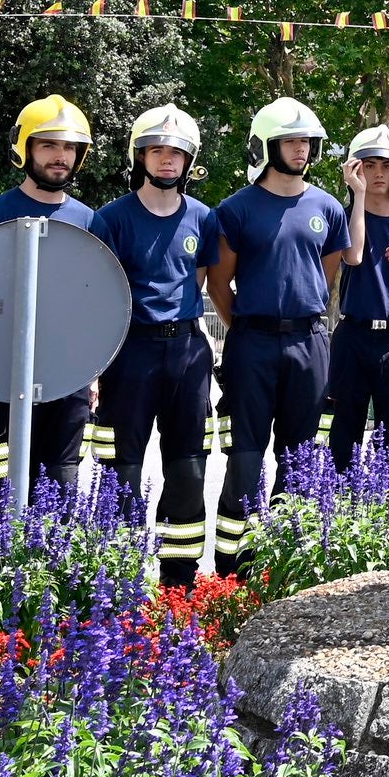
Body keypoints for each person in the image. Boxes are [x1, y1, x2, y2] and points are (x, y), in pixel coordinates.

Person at [206, 98, 353, 574]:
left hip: (310, 343)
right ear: (265, 146)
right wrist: (247, 329)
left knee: (301, 459)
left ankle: (284, 567)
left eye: (307, 141)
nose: (301, 148)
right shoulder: (235, 209)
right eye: (290, 140)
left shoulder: (328, 207)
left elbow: (325, 275)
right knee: (245, 462)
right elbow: (218, 283)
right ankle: (233, 573)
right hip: (252, 344)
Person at [88, 105, 220, 587]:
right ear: (140, 156)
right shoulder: (111, 219)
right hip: (129, 354)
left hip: (187, 353)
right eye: (158, 151)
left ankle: (179, 584)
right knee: (121, 467)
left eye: (177, 153)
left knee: (188, 468)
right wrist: (93, 370)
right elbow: (96, 296)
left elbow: (199, 280)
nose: (168, 160)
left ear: (189, 161)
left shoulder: (204, 218)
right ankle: (117, 582)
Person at [0, 94, 98, 513]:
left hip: (67, 378)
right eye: (48, 144)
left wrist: (94, 371)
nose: (60, 156)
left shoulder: (90, 222)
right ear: (24, 147)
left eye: (70, 147)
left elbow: (95, 307)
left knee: (61, 490)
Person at [328, 125, 389, 471]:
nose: (378, 173)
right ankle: (337, 505)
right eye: (369, 165)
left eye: (386, 166)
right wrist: (359, 197)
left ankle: (387, 509)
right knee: (344, 432)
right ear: (356, 170)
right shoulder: (345, 215)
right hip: (353, 335)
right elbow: (352, 255)